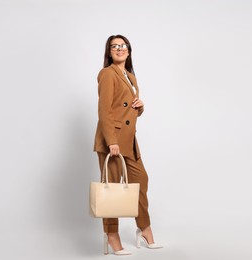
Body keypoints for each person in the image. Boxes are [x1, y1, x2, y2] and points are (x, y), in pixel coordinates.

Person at [93, 35, 163, 255]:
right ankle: (112, 235)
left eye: (123, 46)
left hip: (130, 141)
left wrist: (140, 107)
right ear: (109, 52)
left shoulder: (130, 76)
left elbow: (127, 109)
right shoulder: (107, 74)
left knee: (140, 181)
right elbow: (104, 110)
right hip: (112, 140)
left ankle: (144, 227)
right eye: (114, 46)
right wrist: (111, 141)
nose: (119, 49)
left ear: (129, 50)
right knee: (111, 188)